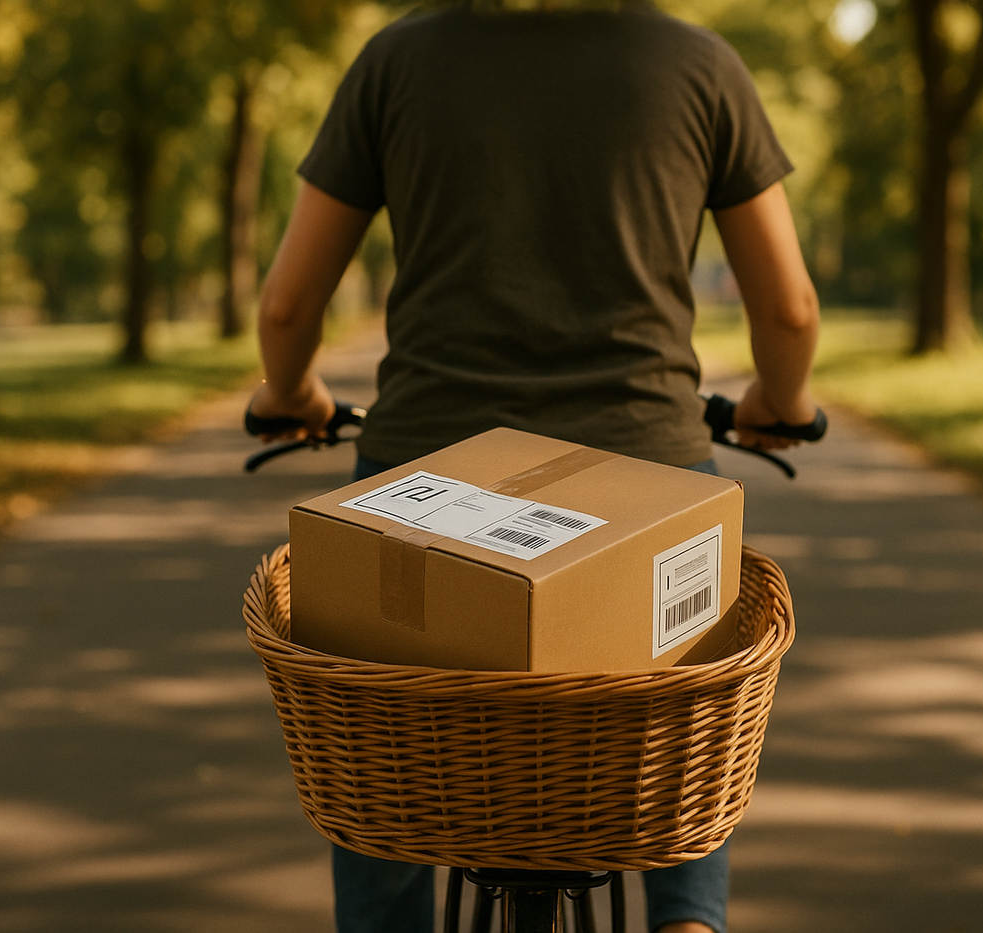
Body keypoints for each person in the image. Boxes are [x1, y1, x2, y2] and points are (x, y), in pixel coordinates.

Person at [247, 2, 822, 931]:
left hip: (424, 486)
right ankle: (686, 918)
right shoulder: (700, 66)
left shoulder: (395, 62)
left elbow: (286, 306)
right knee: (684, 699)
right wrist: (781, 403)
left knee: (380, 747)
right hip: (649, 475)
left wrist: (293, 393)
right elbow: (790, 312)